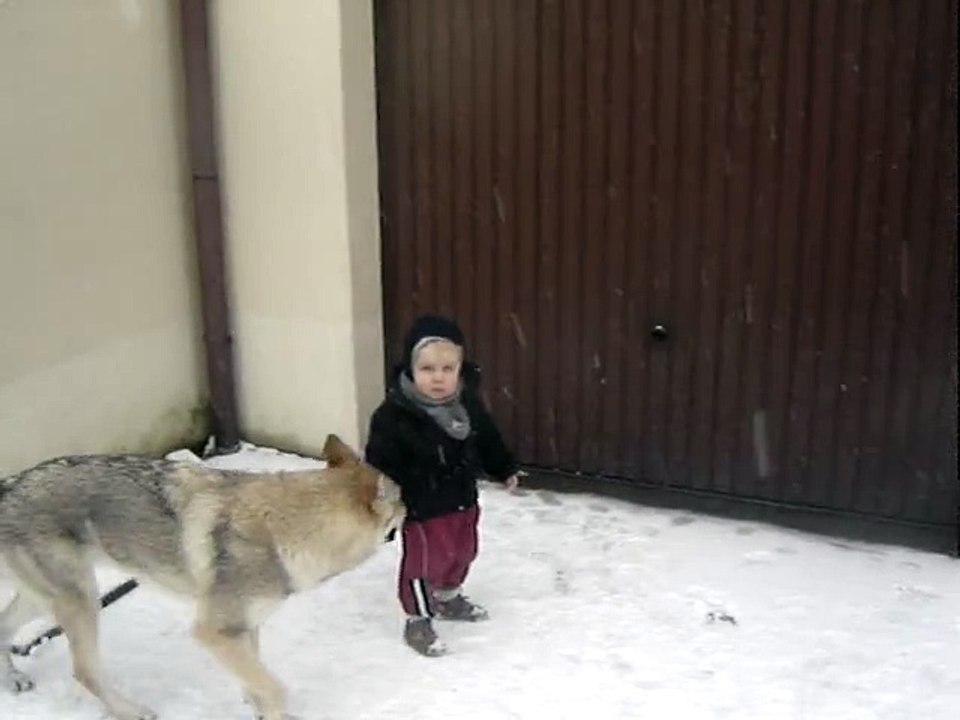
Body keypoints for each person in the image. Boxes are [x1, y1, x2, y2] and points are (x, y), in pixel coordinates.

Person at [364, 314, 521, 657]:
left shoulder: (467, 405)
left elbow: (488, 440)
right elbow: (379, 464)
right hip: (421, 508)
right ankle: (418, 619)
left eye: (448, 369)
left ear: (460, 369)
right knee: (423, 565)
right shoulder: (393, 416)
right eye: (428, 368)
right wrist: (385, 500)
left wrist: (504, 468)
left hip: (463, 499)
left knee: (462, 552)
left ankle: (448, 598)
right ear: (411, 368)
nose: (438, 377)